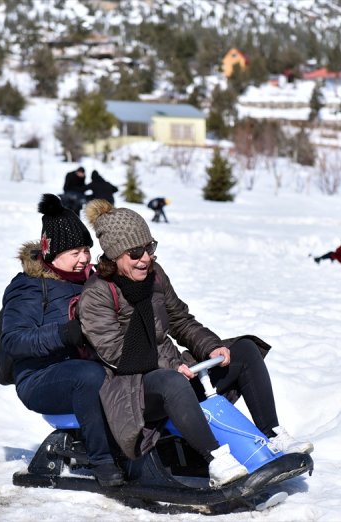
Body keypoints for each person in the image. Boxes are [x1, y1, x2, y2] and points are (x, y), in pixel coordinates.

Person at [77, 200, 313, 489]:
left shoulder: (155, 275)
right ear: (114, 255)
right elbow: (117, 355)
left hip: (173, 371)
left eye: (149, 248)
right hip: (132, 387)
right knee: (171, 382)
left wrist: (211, 347)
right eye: (135, 252)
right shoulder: (97, 295)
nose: (145, 258)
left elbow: (179, 319)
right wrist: (172, 368)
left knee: (245, 350)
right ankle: (215, 459)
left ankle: (272, 434)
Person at [0, 194, 124, 487]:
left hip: (88, 366)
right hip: (40, 377)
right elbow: (13, 340)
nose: (83, 259)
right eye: (74, 252)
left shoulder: (94, 280)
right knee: (88, 375)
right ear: (51, 253)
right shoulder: (29, 287)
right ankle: (103, 462)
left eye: (86, 250)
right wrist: (64, 334)